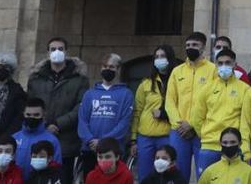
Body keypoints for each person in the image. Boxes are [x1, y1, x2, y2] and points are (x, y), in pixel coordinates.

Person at [25, 37, 89, 184]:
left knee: (64, 178)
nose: (57, 52)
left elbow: (81, 106)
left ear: (67, 52)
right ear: (47, 53)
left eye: (60, 49)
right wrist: (45, 124)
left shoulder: (79, 79)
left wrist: (58, 124)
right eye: (53, 49)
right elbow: (31, 104)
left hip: (67, 139)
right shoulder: (36, 78)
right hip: (40, 136)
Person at [165, 31, 217, 182]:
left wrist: (193, 124)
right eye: (188, 45)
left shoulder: (213, 70)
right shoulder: (177, 71)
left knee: (204, 173)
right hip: (179, 131)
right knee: (178, 173)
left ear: (203, 48)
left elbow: (214, 101)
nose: (190, 48)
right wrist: (179, 124)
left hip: (202, 130)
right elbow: (170, 101)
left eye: (195, 45)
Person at [192, 47, 250, 176]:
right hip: (209, 146)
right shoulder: (206, 89)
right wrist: (206, 135)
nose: (224, 66)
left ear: (235, 65)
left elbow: (246, 121)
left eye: (228, 63)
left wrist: (243, 146)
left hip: (235, 147)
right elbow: (196, 118)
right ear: (216, 65)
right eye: (220, 63)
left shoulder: (245, 89)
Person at [78, 53, 133, 176]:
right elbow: (82, 120)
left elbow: (124, 123)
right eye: (105, 66)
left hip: (113, 151)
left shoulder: (126, 94)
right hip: (90, 149)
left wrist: (102, 142)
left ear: (118, 70)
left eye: (112, 67)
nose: (108, 69)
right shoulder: (89, 94)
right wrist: (90, 140)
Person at [132, 45, 176, 181]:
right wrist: (133, 139)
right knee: (145, 176)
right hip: (145, 136)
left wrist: (165, 115)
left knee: (167, 176)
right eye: (156, 57)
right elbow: (137, 111)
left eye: (162, 56)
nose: (159, 59)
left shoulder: (177, 81)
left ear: (169, 58)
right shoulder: (145, 83)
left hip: (168, 135)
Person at [12, 98, 61, 179]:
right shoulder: (14, 138)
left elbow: (56, 168)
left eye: (36, 115)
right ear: (23, 114)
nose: (32, 118)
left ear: (44, 115)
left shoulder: (52, 140)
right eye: (28, 115)